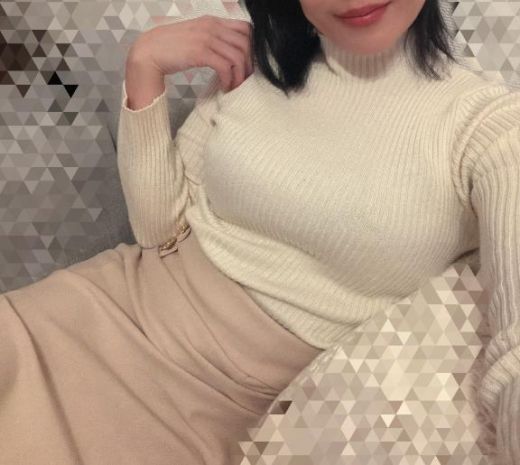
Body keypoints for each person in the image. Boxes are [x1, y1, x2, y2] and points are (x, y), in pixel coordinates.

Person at [0, 0, 518, 463]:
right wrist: (145, 65)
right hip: (96, 311)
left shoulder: (489, 129)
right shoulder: (261, 64)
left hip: (218, 409)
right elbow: (159, 232)